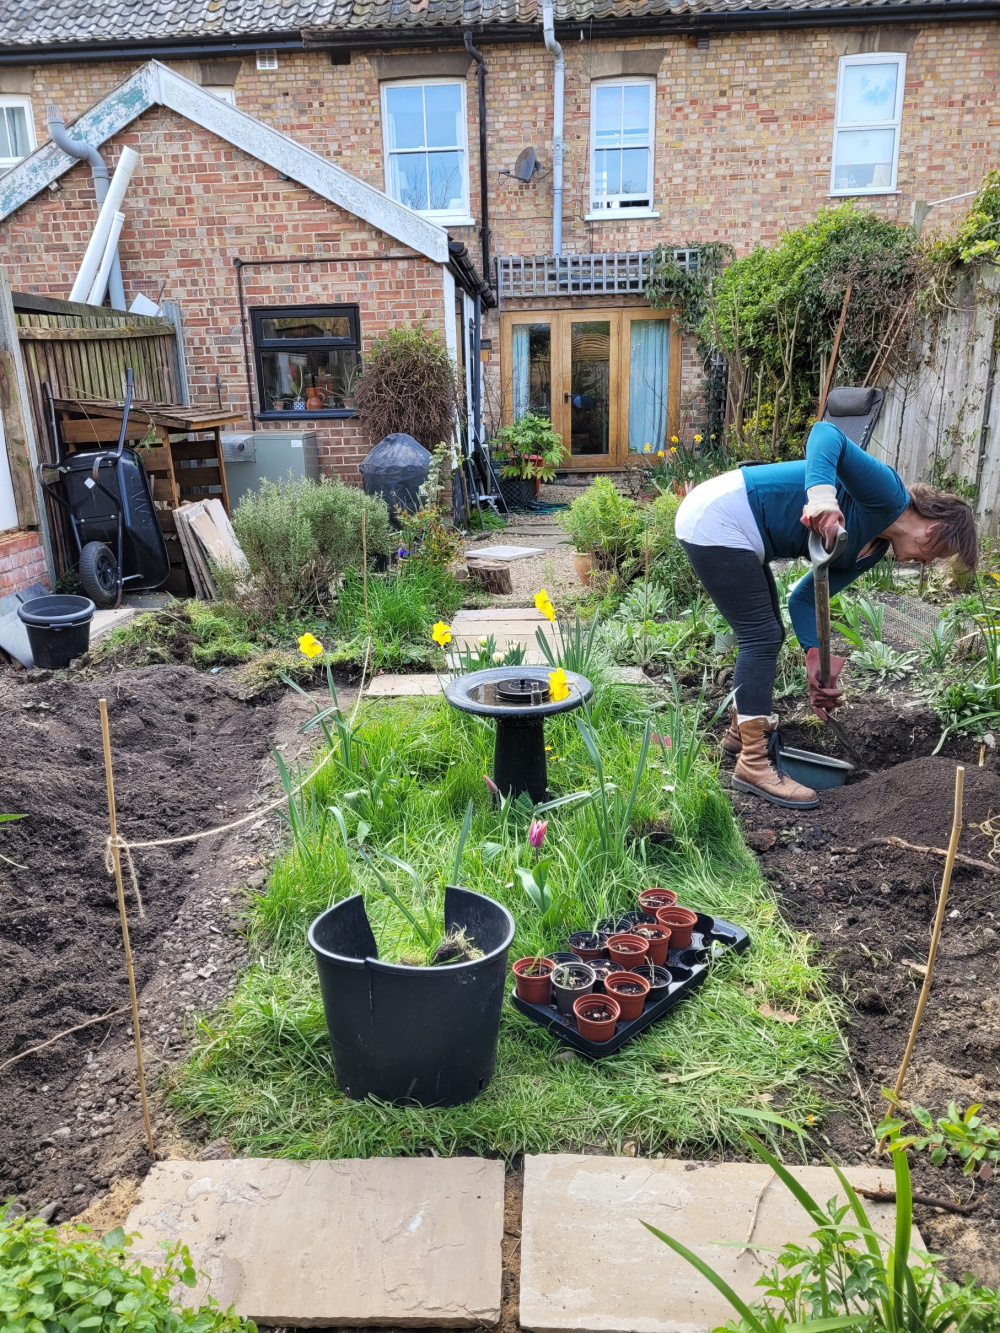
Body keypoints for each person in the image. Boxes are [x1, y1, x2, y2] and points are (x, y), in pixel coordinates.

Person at [675, 420, 978, 809]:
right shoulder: (888, 494)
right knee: (760, 637)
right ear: (933, 529)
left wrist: (817, 662)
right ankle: (754, 763)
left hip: (742, 530)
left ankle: (739, 738)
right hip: (722, 514)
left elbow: (804, 599)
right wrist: (822, 497)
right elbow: (825, 433)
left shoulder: (872, 551)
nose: (926, 563)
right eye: (936, 555)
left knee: (767, 633)